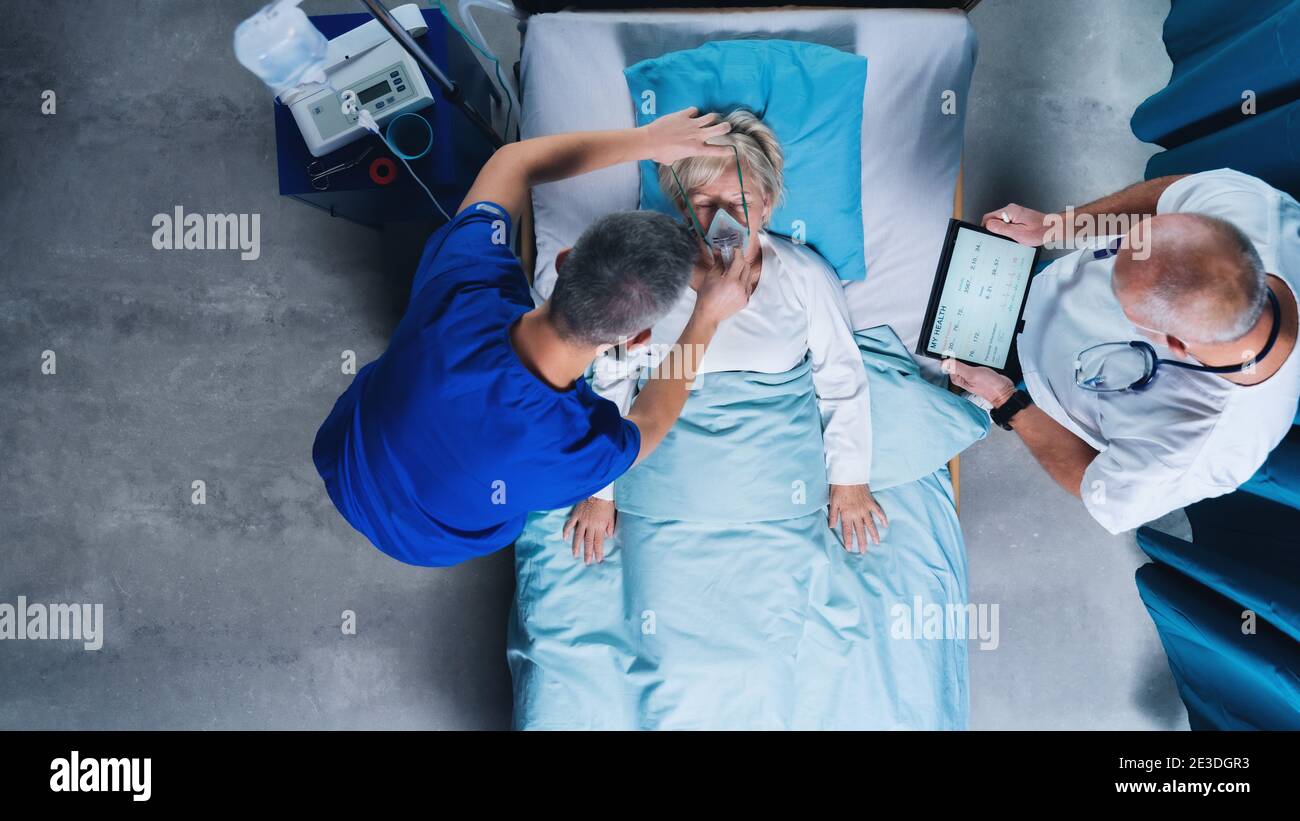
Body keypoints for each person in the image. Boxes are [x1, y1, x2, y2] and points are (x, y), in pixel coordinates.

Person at [313, 108, 758, 566]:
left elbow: (514, 164)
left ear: (564, 261)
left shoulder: (464, 282)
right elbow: (650, 422)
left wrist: (647, 141)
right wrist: (706, 316)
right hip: (427, 544)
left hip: (343, 453)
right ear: (640, 335)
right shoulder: (579, 452)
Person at [564, 109, 887, 563]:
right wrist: (600, 492)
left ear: (768, 203)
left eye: (739, 202)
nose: (723, 219)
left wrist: (849, 479)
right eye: (702, 203)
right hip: (669, 471)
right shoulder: (643, 275)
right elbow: (613, 379)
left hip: (769, 482)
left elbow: (841, 375)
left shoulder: (803, 275)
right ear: (681, 208)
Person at [948, 169, 1300, 534]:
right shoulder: (1252, 210)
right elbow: (1170, 195)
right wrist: (1055, 228)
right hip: (1045, 280)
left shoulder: (1191, 453)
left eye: (1120, 301)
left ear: (1173, 344)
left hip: (1032, 382)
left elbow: (1093, 485)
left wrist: (1006, 400)